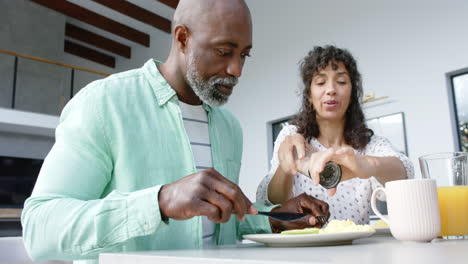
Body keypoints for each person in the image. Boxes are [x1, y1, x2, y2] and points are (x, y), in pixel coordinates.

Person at [21, 1, 329, 263]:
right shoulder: (103, 104)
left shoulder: (229, 126)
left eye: (244, 55)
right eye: (224, 51)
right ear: (182, 39)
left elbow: (218, 226)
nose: (237, 69)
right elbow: (39, 229)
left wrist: (275, 217)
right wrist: (159, 201)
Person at [256, 45, 414, 225]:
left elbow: (405, 173)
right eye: (321, 82)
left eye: (341, 81)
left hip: (356, 250)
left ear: (353, 92)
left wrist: (370, 164)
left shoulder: (370, 145)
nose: (331, 90)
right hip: (302, 250)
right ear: (309, 94)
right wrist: (286, 167)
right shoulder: (293, 136)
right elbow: (274, 201)